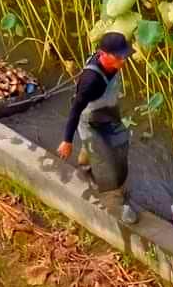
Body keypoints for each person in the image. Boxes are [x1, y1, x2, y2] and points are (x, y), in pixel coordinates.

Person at [57, 31, 137, 224]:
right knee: (105, 161)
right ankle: (115, 205)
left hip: (107, 109)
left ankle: (84, 166)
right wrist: (67, 140)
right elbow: (76, 110)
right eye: (118, 57)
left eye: (124, 56)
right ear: (103, 54)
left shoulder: (111, 63)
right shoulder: (91, 81)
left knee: (120, 142)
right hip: (90, 117)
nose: (122, 61)